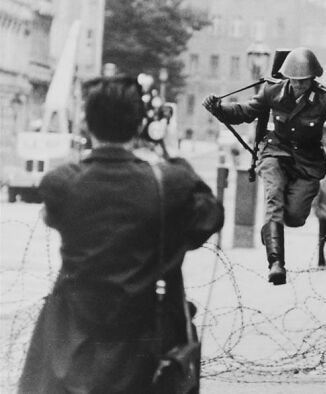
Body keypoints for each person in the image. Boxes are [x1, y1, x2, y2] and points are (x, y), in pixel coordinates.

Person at [19, 76, 224, 393]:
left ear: (87, 124)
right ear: (140, 124)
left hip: (72, 343)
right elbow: (209, 217)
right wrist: (168, 151)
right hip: (148, 343)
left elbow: (54, 215)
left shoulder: (62, 183)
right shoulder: (168, 184)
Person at [203, 47, 326, 285]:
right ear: (287, 77)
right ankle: (276, 263)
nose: (298, 86)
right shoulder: (272, 91)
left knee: (294, 217)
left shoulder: (325, 100)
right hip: (275, 152)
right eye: (294, 81)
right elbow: (245, 112)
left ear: (313, 78)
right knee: (273, 197)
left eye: (304, 81)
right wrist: (219, 109)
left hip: (308, 163)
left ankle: (272, 231)